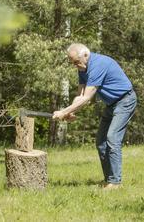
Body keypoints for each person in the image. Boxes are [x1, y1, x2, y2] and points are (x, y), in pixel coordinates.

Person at [53, 43, 137, 190]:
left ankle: (115, 183)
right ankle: (109, 180)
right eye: (72, 62)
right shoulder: (83, 68)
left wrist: (64, 111)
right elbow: (80, 95)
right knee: (101, 142)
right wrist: (71, 112)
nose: (75, 65)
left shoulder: (98, 65)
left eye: (76, 62)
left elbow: (86, 98)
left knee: (112, 138)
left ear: (86, 55)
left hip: (125, 100)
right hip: (111, 105)